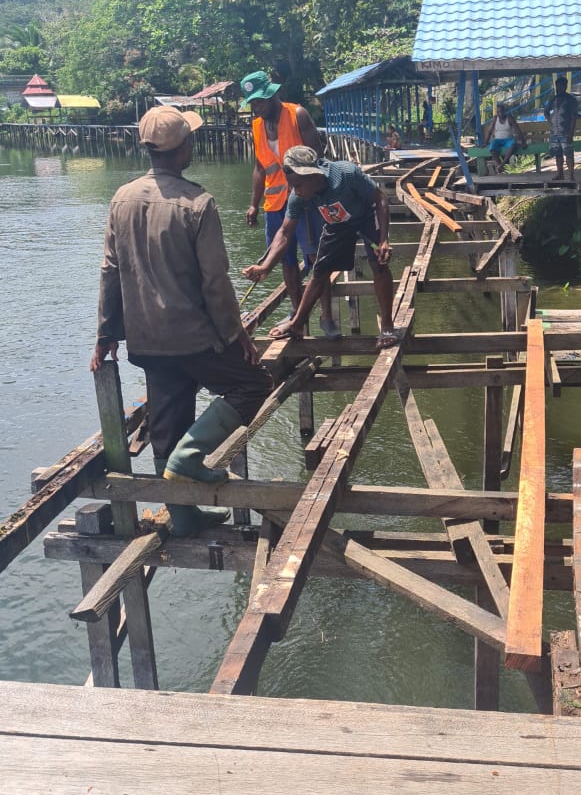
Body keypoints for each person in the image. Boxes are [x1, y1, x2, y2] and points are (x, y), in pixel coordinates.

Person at [90, 104, 273, 537]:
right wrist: (237, 335)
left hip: (146, 341)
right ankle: (190, 458)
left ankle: (185, 517)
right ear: (183, 147)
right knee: (252, 384)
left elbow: (109, 271)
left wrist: (104, 336)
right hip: (193, 337)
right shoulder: (198, 202)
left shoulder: (121, 198)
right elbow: (215, 283)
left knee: (167, 424)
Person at [242, 146, 398, 350]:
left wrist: (384, 239)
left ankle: (387, 325)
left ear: (313, 175)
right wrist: (265, 267)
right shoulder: (298, 195)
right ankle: (296, 324)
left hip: (366, 216)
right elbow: (285, 232)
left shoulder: (347, 174)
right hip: (338, 223)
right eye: (292, 186)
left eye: (298, 185)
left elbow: (380, 198)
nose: (295, 191)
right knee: (319, 272)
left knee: (379, 264)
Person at [241, 69, 338, 337]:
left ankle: (327, 315)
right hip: (275, 203)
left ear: (272, 95)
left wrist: (317, 195)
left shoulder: (297, 115)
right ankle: (298, 313)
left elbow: (318, 159)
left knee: (315, 256)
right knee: (286, 258)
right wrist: (253, 203)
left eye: (259, 101)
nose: (256, 107)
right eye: (252, 103)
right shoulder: (257, 126)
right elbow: (260, 167)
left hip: (305, 198)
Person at [544, 75, 579, 180]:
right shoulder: (553, 99)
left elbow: (573, 117)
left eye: (561, 86)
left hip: (566, 130)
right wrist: (551, 122)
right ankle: (560, 173)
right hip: (555, 131)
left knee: (568, 153)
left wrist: (571, 133)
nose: (559, 88)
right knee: (557, 153)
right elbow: (546, 111)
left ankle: (571, 175)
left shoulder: (570, 100)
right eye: (558, 86)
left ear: (565, 86)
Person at [483, 103, 527, 173]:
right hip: (498, 140)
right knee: (492, 147)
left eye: (501, 111)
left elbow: (517, 130)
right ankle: (500, 165)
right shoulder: (495, 119)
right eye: (498, 112)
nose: (500, 114)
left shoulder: (509, 118)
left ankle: (501, 165)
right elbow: (489, 131)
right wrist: (485, 143)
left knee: (513, 145)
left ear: (505, 111)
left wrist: (523, 142)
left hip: (508, 140)